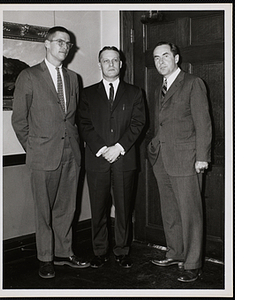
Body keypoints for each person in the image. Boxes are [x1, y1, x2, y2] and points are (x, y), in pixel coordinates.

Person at [12, 26, 90, 279]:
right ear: (46, 44)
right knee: (43, 210)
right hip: (42, 154)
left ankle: (64, 253)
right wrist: (34, 147)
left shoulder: (73, 78)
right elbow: (19, 121)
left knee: (67, 208)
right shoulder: (29, 75)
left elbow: (72, 118)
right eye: (59, 42)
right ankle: (45, 258)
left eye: (68, 43)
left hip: (71, 154)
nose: (64, 47)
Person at [147, 42, 212, 282]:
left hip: (187, 159)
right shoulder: (160, 87)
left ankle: (193, 262)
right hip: (162, 158)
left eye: (165, 56)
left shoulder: (193, 83)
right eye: (156, 58)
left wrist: (202, 157)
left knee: (190, 213)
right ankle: (175, 252)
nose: (160, 61)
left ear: (176, 58)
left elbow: (203, 122)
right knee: (170, 211)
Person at [78, 46, 145, 269]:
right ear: (100, 65)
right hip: (97, 161)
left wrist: (118, 147)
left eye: (115, 60)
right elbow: (84, 125)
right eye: (106, 61)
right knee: (98, 209)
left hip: (124, 159)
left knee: (124, 209)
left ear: (121, 64)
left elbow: (138, 123)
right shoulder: (87, 94)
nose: (111, 64)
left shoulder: (135, 92)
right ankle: (99, 251)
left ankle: (122, 251)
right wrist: (102, 149)